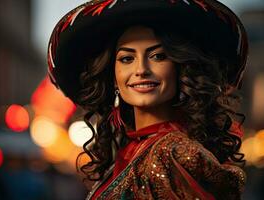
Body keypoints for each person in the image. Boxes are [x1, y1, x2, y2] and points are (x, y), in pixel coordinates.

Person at [47, 0, 248, 199]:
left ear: (181, 69)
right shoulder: (128, 152)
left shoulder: (176, 154)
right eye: (127, 59)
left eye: (158, 56)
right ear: (113, 77)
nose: (141, 69)